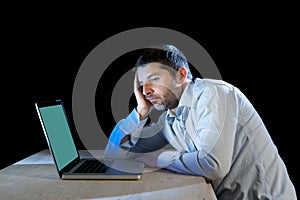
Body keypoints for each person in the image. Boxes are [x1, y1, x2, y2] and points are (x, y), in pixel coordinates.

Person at [104, 44, 297, 199]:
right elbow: (114, 155)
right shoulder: (169, 120)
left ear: (181, 75)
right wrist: (140, 112)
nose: (146, 91)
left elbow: (213, 165)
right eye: (141, 85)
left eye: (153, 79)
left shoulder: (213, 94)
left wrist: (155, 159)